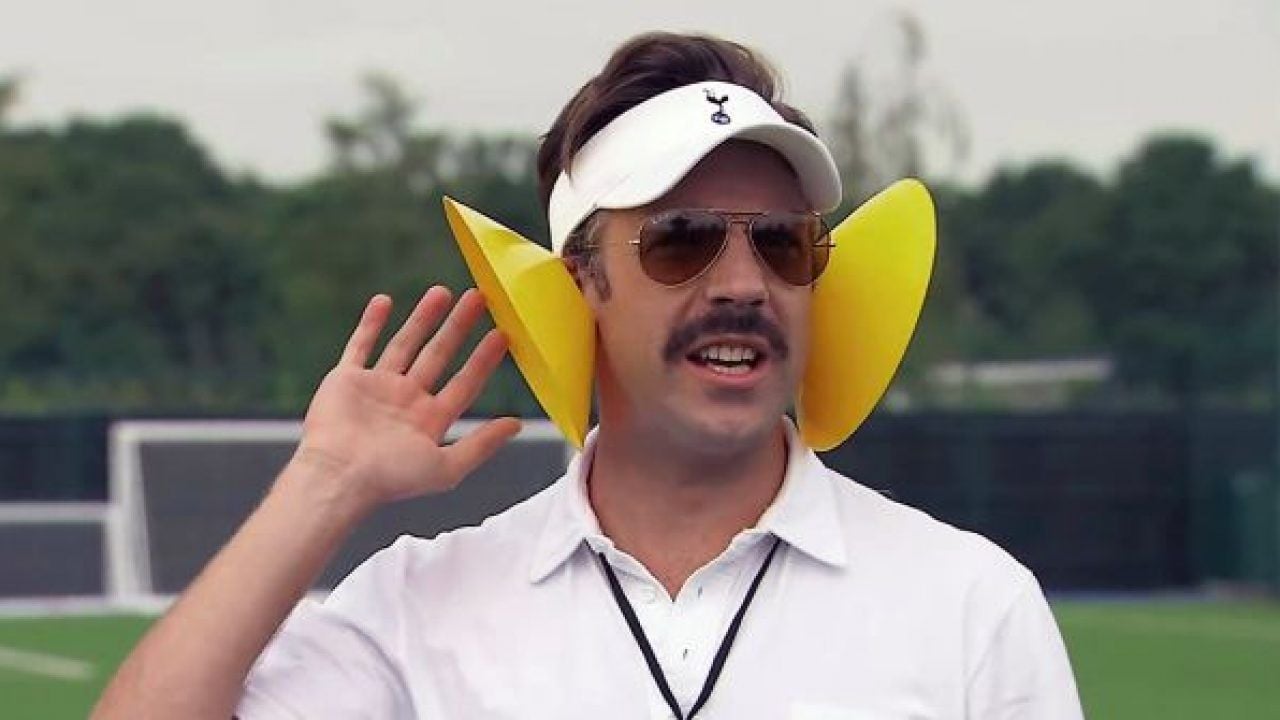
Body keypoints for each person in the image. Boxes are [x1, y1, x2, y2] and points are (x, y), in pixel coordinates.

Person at [93, 32, 1083, 719]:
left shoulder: (968, 602)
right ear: (579, 283)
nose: (744, 283)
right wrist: (324, 485)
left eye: (783, 243)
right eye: (681, 239)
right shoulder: (419, 605)